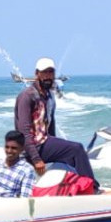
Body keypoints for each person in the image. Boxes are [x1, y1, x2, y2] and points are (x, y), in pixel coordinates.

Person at [15, 58, 99, 187]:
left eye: (51, 72)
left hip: (44, 143)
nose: (48, 76)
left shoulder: (49, 96)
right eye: (44, 72)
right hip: (31, 149)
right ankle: (92, 187)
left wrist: (57, 146)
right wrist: (36, 159)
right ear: (37, 74)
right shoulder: (27, 96)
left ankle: (73, 188)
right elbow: (23, 131)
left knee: (70, 156)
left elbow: (50, 125)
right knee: (77, 149)